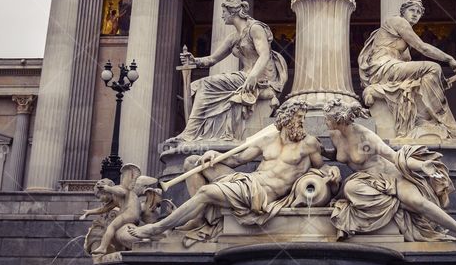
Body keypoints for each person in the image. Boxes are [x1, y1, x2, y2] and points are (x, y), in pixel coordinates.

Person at [130, 103, 325, 242]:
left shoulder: (308, 144)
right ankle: (199, 219)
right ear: (286, 118)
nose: (302, 121)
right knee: (192, 162)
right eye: (299, 117)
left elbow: (321, 168)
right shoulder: (267, 140)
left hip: (260, 194)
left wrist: (331, 172)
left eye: (303, 118)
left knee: (206, 192)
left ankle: (157, 228)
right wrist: (214, 154)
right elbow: (237, 160)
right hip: (247, 181)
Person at [325, 100, 456, 249]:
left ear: (339, 121)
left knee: (419, 203)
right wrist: (322, 154)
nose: (325, 121)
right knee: (350, 187)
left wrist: (422, 165)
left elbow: (394, 156)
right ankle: (398, 204)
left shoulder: (365, 138)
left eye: (328, 119)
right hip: (366, 180)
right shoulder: (335, 135)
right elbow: (339, 155)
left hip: (391, 177)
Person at [168, 0, 287, 143]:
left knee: (206, 84)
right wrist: (194, 60)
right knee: (199, 85)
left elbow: (265, 55)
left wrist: (253, 76)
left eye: (224, 12)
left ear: (233, 12)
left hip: (260, 78)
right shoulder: (233, 38)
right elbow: (212, 59)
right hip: (244, 76)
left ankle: (190, 133)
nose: (222, 15)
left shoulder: (255, 28)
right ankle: (195, 133)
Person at [358, 0, 456, 141]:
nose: (415, 14)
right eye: (412, 10)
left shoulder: (403, 43)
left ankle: (427, 120)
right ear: (403, 12)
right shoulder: (398, 21)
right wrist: (449, 59)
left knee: (428, 75)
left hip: (390, 68)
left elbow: (411, 70)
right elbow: (423, 48)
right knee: (433, 67)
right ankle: (438, 119)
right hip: (383, 67)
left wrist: (439, 83)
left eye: (418, 12)